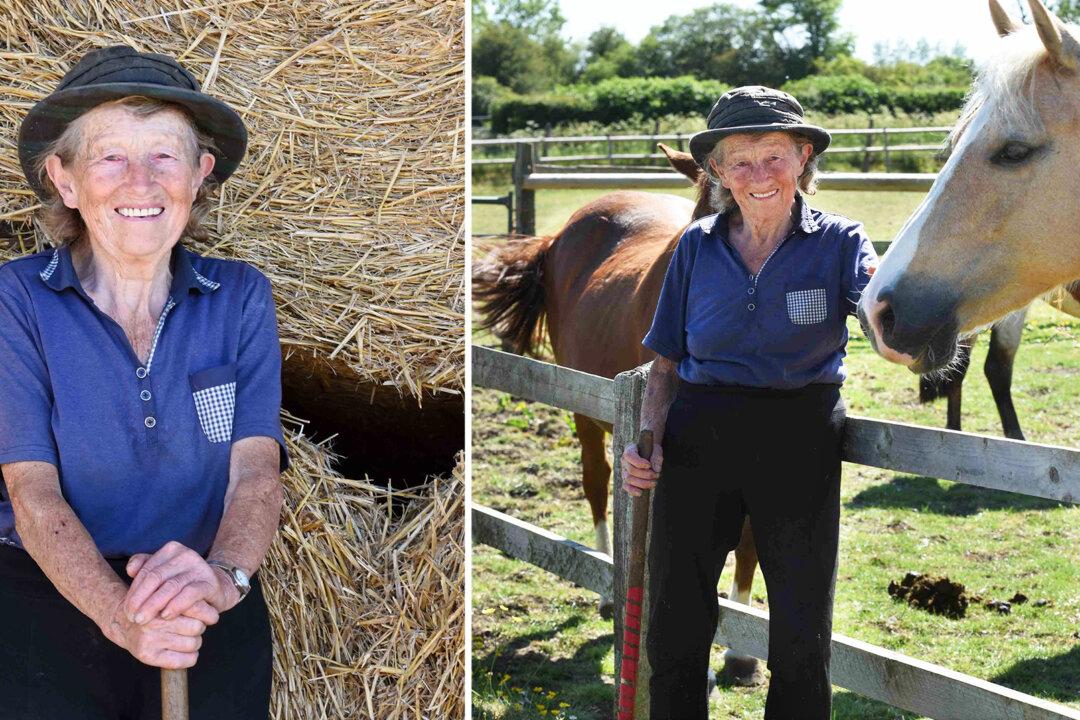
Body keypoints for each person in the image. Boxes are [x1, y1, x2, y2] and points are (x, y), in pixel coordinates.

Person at [0, 45, 288, 719]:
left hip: (203, 595)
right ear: (65, 180)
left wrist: (222, 580)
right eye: (110, 157)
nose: (141, 182)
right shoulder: (17, 299)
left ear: (200, 174)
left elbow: (255, 472)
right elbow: (31, 491)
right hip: (45, 598)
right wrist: (120, 616)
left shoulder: (240, 297)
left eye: (164, 155)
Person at [621, 86, 878, 720]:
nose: (758, 176)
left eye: (773, 157)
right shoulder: (695, 246)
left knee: (801, 634)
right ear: (715, 170)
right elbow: (665, 363)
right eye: (739, 160)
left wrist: (899, 312)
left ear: (804, 156)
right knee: (675, 627)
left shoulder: (841, 242)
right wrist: (647, 443)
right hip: (698, 439)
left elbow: (881, 318)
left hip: (800, 442)